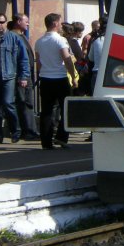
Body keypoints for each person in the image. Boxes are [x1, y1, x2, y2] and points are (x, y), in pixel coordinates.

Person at [35, 13, 77, 150]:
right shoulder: (60, 40)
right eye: (59, 23)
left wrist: (41, 74)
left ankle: (46, 142)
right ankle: (61, 137)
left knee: (46, 111)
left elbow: (39, 63)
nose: (61, 26)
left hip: (45, 78)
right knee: (66, 109)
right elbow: (67, 59)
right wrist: (73, 76)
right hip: (60, 77)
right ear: (54, 24)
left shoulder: (39, 41)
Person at [0, 12, 30, 143]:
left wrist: (24, 77)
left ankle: (15, 131)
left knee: (8, 103)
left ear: (5, 23)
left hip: (8, 75)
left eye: (1, 22)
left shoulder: (13, 38)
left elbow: (23, 59)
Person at [10, 13, 40, 140]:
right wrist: (23, 76)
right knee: (25, 102)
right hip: (22, 76)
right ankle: (28, 131)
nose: (28, 24)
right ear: (18, 21)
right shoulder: (14, 37)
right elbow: (21, 59)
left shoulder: (21, 36)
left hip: (26, 75)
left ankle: (29, 130)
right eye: (25, 21)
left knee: (26, 102)